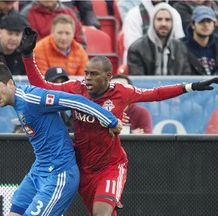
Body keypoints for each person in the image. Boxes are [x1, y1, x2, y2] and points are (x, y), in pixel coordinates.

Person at [20, 27, 218, 216]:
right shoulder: (76, 88)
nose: (87, 78)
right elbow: (42, 87)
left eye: (94, 74)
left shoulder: (122, 92)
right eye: (87, 73)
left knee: (101, 212)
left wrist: (192, 86)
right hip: (83, 167)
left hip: (110, 166)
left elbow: (156, 93)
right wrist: (28, 56)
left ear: (108, 76)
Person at [0, 62, 122, 216]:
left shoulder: (32, 98)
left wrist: (111, 121)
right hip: (39, 171)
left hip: (59, 173)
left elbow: (76, 101)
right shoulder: (18, 102)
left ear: (10, 83)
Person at [127, 2, 192, 76]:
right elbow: (138, 81)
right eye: (159, 19)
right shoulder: (136, 49)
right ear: (152, 21)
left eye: (167, 20)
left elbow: (186, 78)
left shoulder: (181, 48)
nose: (163, 24)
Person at [19, 0, 86, 48]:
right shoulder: (27, 13)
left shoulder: (68, 12)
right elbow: (24, 43)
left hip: (68, 60)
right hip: (38, 58)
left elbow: (81, 41)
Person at [182, 5, 218, 75]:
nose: (206, 25)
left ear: (214, 25)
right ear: (193, 24)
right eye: (201, 21)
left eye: (209, 21)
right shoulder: (181, 46)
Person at [45, 66, 74, 133]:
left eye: (63, 82)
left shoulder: (74, 107)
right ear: (46, 84)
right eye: (55, 82)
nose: (59, 85)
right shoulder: (40, 106)